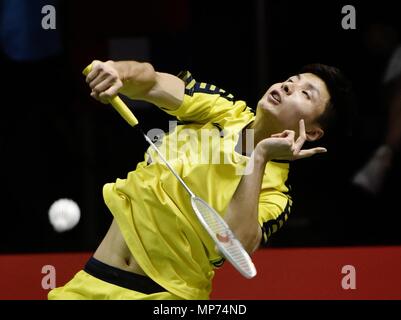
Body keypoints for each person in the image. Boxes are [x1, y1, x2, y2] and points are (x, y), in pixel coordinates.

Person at [48, 60, 353, 299]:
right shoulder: (219, 109)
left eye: (304, 93)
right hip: (93, 279)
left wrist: (259, 156)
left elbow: (233, 245)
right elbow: (152, 81)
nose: (288, 87)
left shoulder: (275, 194)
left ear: (311, 133)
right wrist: (119, 72)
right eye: (291, 81)